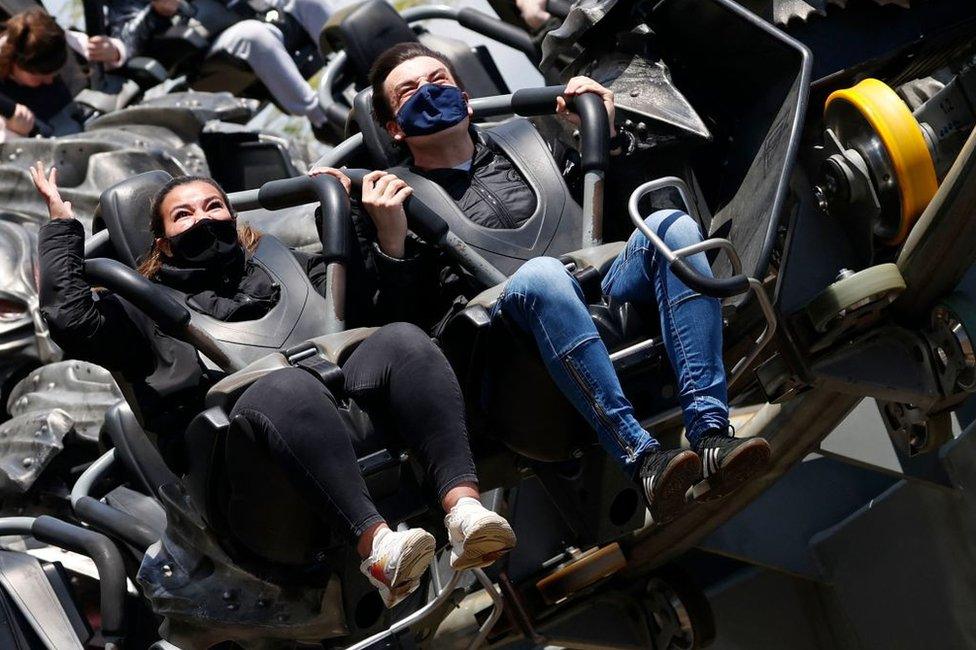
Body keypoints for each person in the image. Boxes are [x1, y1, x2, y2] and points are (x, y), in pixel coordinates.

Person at [324, 42, 772, 526]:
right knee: (542, 276)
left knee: (672, 228)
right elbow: (399, 336)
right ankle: (642, 459)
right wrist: (391, 242)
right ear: (393, 127)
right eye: (409, 92)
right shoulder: (385, 201)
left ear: (466, 97)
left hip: (595, 290)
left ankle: (710, 435)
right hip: (501, 350)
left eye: (438, 82)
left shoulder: (535, 141)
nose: (429, 94)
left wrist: (603, 135)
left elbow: (613, 217)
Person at [32, 162, 515, 607]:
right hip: (247, 479)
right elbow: (71, 320)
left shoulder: (284, 265)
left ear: (233, 216)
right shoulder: (140, 309)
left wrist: (350, 213)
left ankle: (465, 511)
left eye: (213, 206)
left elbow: (363, 303)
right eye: (183, 215)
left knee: (405, 341)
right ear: (161, 241)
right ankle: (379, 550)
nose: (202, 219)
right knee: (285, 386)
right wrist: (60, 230)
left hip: (342, 414)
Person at [105, 0, 345, 134]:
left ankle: (362, 64)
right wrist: (155, 12)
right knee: (255, 35)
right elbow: (126, 38)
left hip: (252, 13)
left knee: (308, 3)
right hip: (204, 48)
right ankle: (324, 119)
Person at [0, 8, 126, 137]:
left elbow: (113, 54)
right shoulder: (6, 108)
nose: (49, 81)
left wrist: (115, 51)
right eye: (40, 77)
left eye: (54, 74)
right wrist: (15, 131)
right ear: (13, 63)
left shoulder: (61, 40)